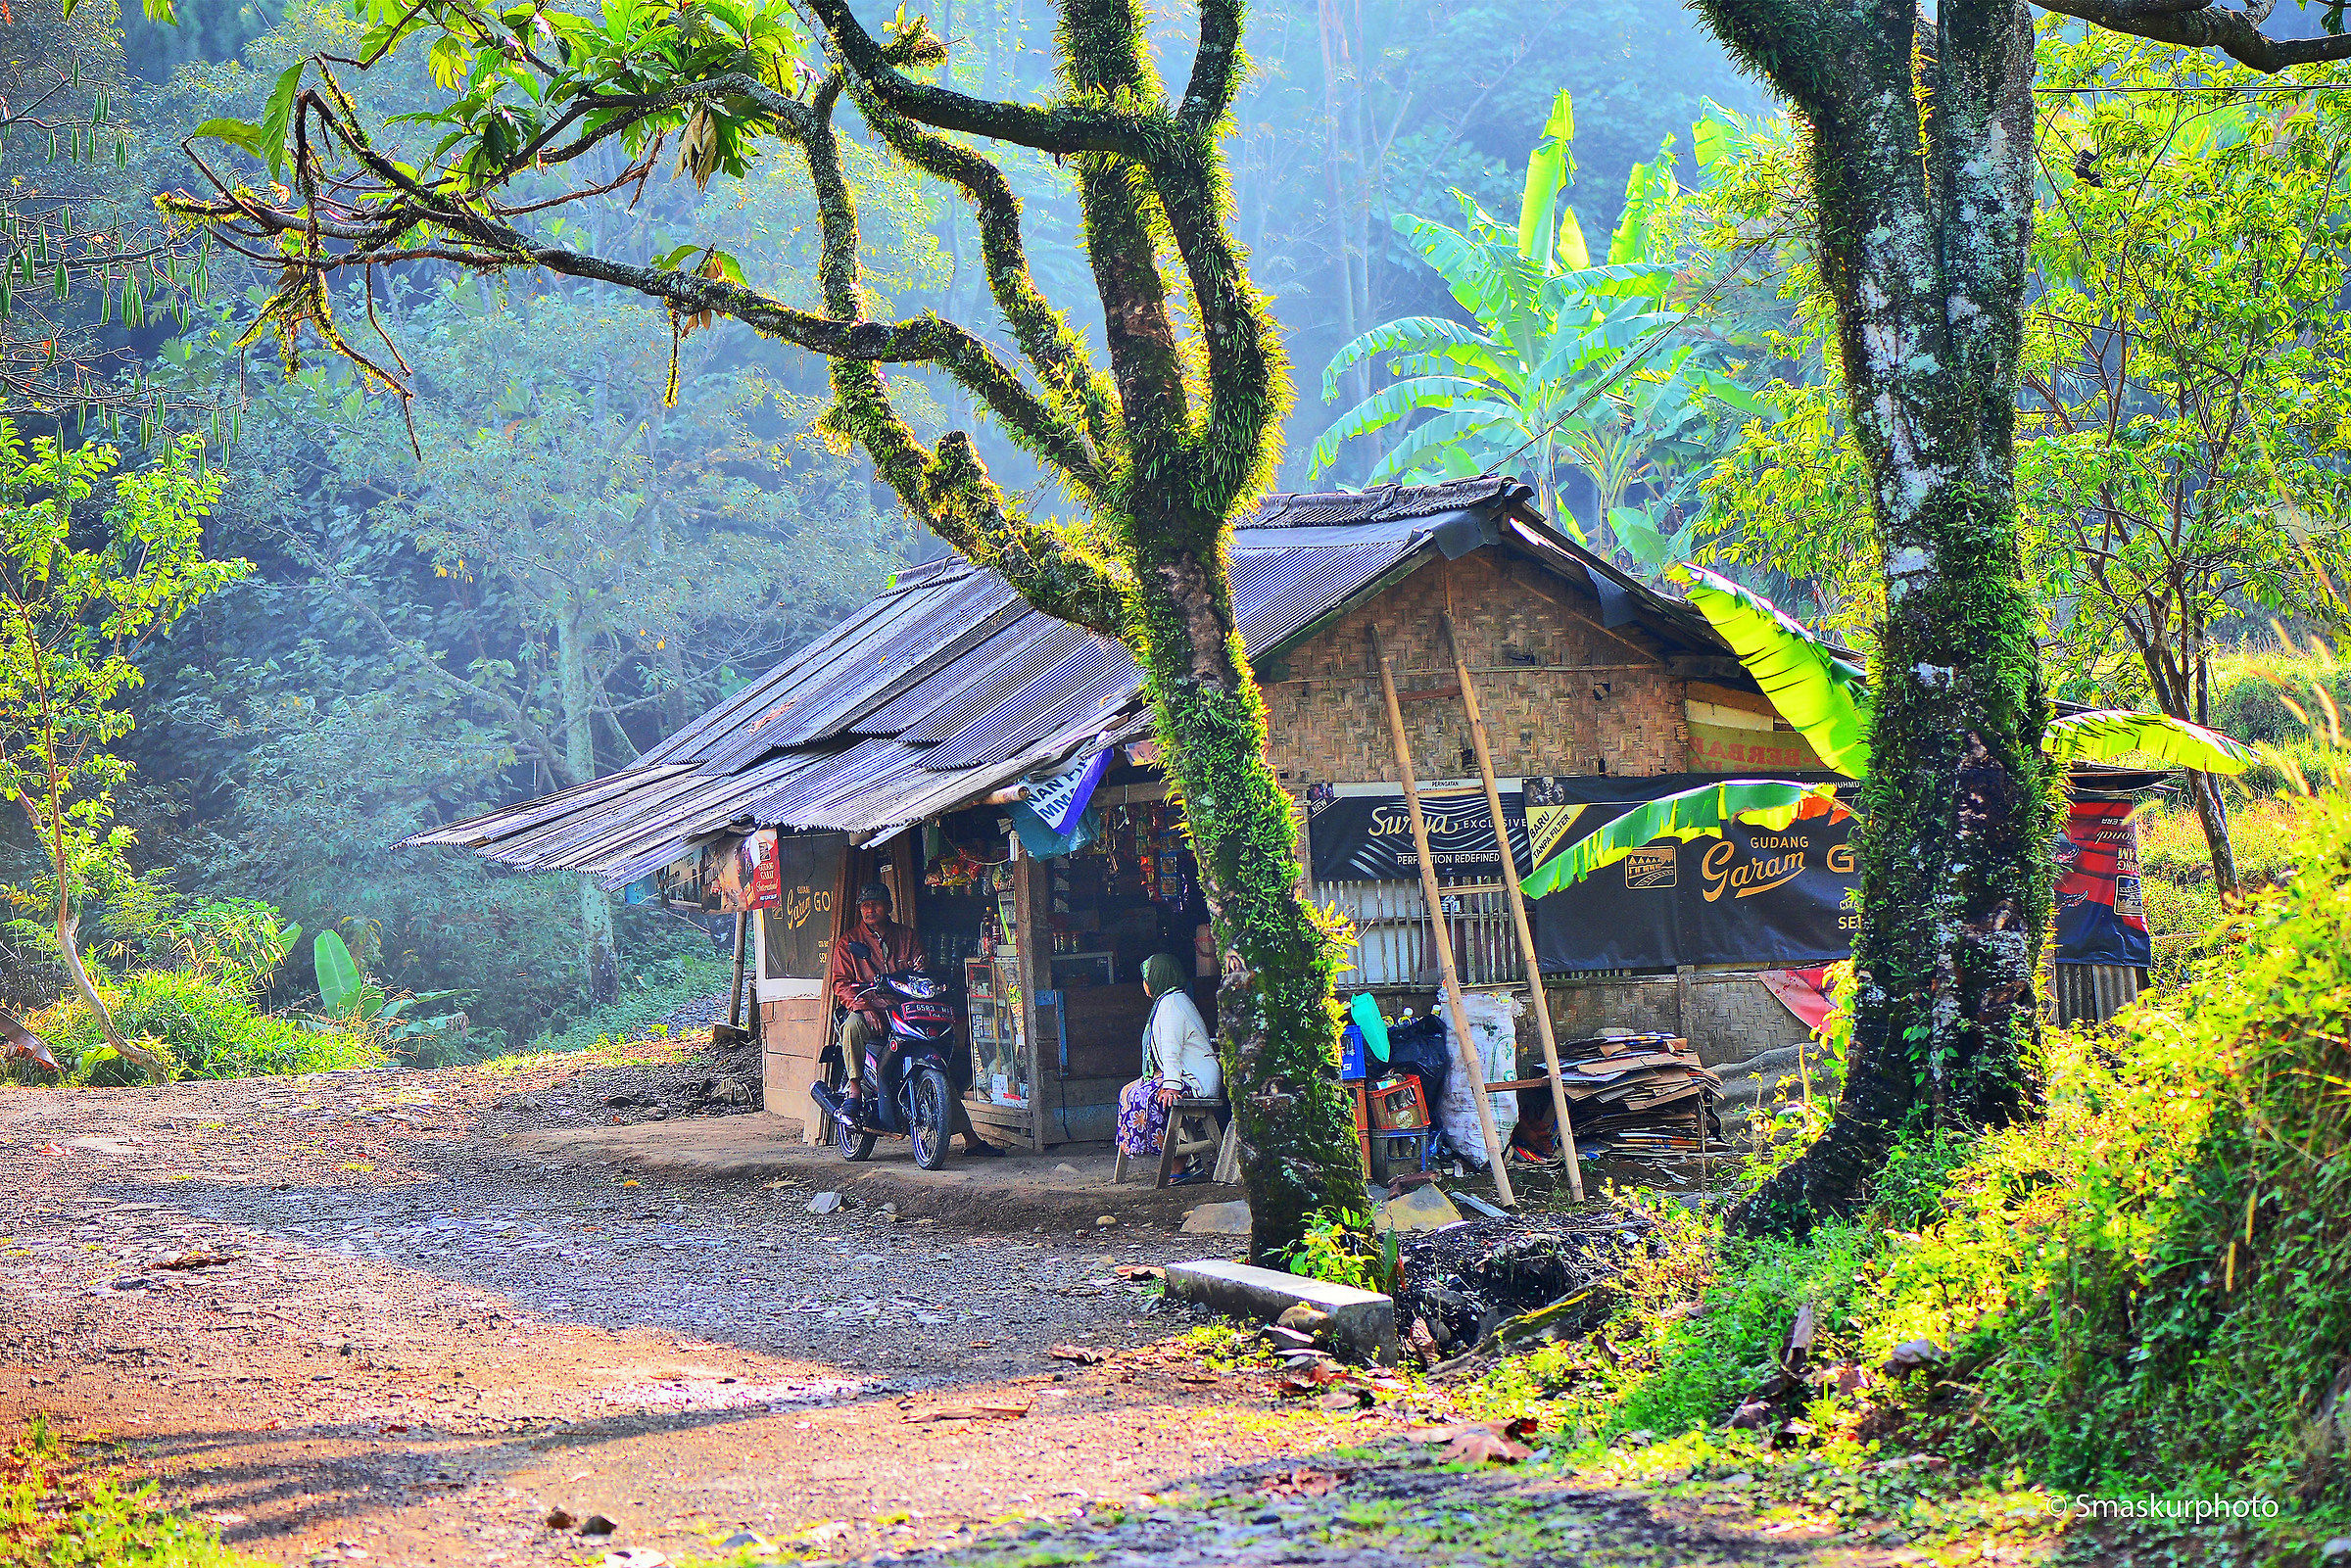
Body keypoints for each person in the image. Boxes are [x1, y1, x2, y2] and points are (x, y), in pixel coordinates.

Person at [826, 879, 1000, 1155]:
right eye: (866, 906)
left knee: (934, 1055)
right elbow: (840, 983)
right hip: (868, 1007)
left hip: (904, 1008)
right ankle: (856, 1090)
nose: (871, 910)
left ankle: (969, 1137)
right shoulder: (849, 943)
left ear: (889, 908)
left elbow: (922, 970)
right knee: (852, 1027)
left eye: (876, 905)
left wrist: (924, 973)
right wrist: (864, 1006)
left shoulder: (907, 936)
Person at [1115, 953, 1222, 1178]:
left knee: (1146, 1098)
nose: (1144, 984)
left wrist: (1171, 1085)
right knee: (1129, 1092)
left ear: (1158, 978)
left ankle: (1176, 1159)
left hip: (1195, 1080)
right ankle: (1174, 1154)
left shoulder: (1172, 1004)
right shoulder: (1168, 1001)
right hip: (1185, 1075)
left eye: (1147, 978)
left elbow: (1172, 1050)